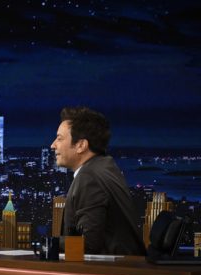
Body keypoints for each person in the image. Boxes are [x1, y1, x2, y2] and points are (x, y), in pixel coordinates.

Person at [51, 106, 145, 255]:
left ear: (81, 145)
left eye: (60, 138)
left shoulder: (90, 178)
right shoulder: (104, 166)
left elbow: (88, 244)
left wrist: (49, 243)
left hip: (111, 268)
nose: (53, 145)